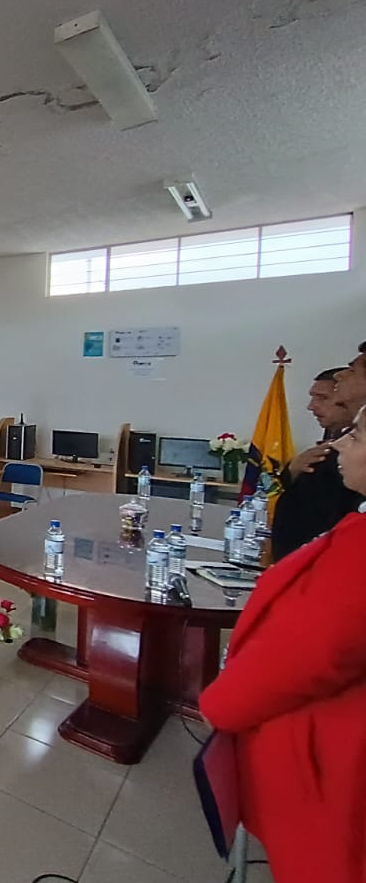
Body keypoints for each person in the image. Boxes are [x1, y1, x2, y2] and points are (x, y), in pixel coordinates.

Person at [198, 403, 366, 883]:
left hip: (334, 761)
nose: (340, 444)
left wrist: (220, 704)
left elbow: (312, 652)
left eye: (356, 437)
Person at [269, 366, 357, 561]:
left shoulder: (353, 452)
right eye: (313, 397)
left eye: (322, 398)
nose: (311, 406)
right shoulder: (330, 440)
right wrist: (291, 471)